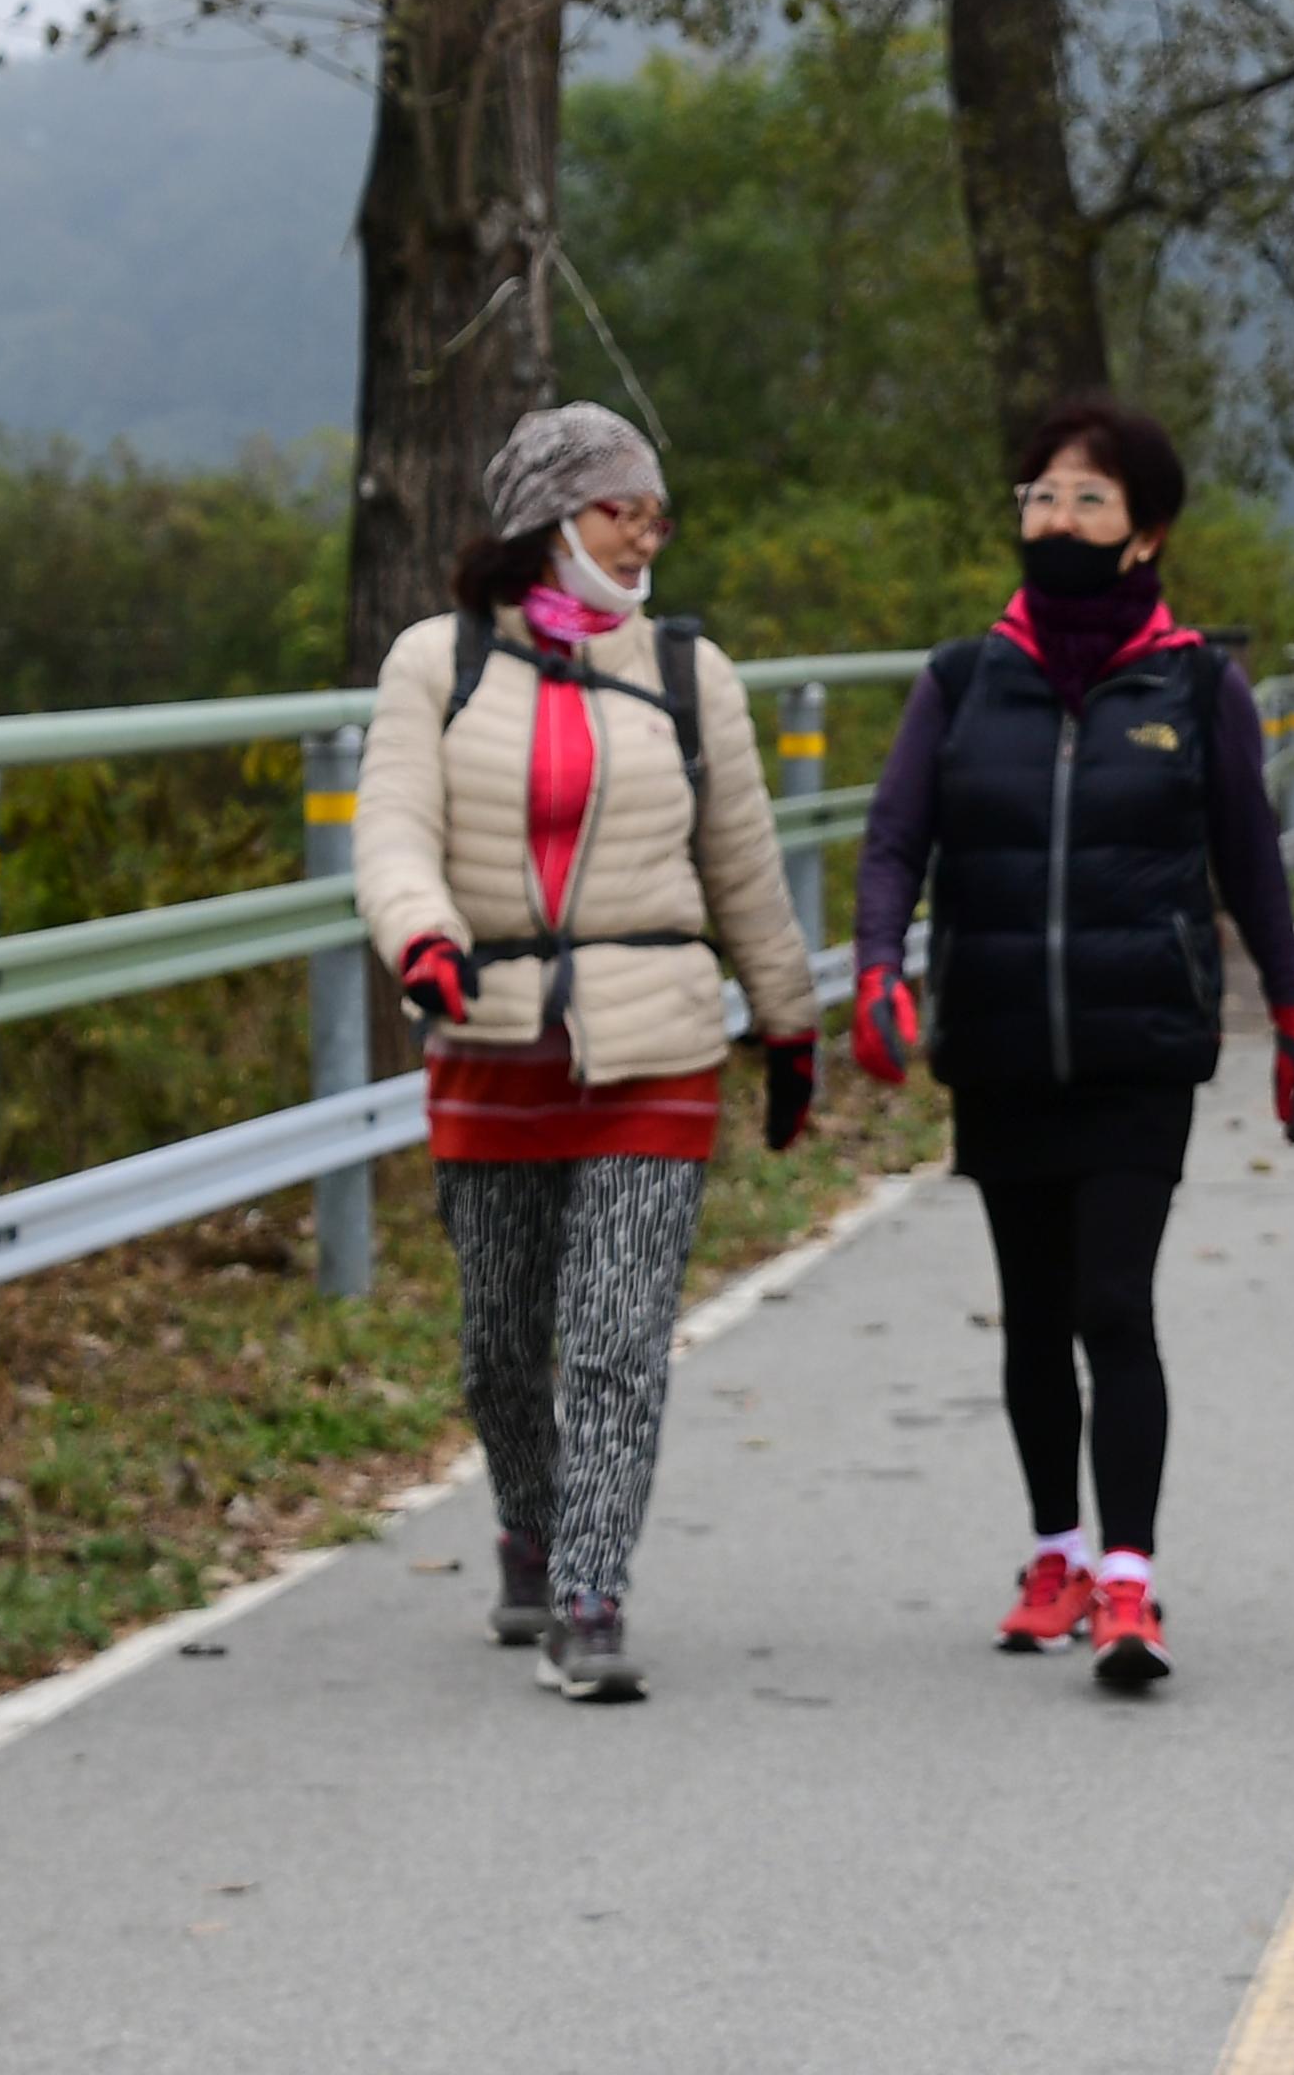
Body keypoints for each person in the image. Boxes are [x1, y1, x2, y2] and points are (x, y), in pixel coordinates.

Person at [848, 396, 1294, 1692]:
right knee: (1034, 1314)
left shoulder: (1197, 683)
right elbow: (896, 840)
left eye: (1086, 500)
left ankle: (1128, 1581)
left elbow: (1250, 860)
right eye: (1040, 497)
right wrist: (878, 968)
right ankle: (1052, 1554)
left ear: (1146, 532)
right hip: (1001, 1039)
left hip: (1137, 1046)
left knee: (1114, 1303)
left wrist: (1292, 1011)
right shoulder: (961, 679)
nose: (1055, 518)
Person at [357, 404, 823, 1704]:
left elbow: (743, 867)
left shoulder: (689, 673)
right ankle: (531, 1518)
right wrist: (424, 940)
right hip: (493, 1035)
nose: (645, 534)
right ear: (549, 517)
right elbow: (392, 830)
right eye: (622, 508)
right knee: (502, 1343)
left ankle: (590, 1595)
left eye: (655, 512)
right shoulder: (433, 663)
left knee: (616, 1338)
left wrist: (788, 1026)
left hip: (656, 1042)